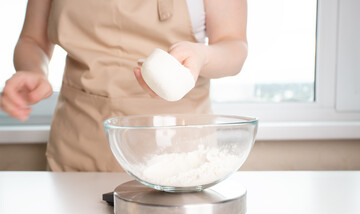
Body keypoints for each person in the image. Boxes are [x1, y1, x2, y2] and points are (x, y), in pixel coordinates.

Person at [0, 0, 248, 171]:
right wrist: (33, 70)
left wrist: (202, 56)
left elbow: (233, 45)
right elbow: (32, 39)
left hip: (178, 152)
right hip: (79, 141)